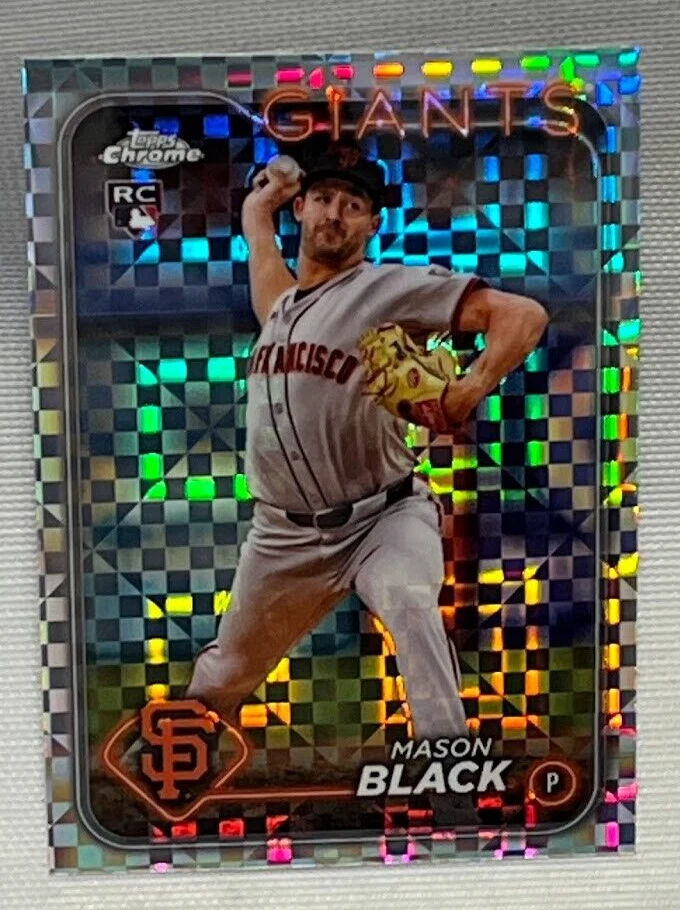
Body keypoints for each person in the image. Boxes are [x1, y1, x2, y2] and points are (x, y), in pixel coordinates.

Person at [182, 143, 548, 817]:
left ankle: (453, 793)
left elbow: (522, 315)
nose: (336, 214)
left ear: (372, 224)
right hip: (284, 538)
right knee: (226, 670)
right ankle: (158, 782)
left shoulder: (387, 288)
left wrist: (471, 386)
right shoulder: (280, 303)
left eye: (354, 205)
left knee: (409, 605)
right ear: (302, 209)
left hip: (385, 518)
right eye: (324, 199)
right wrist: (265, 198)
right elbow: (259, 235)